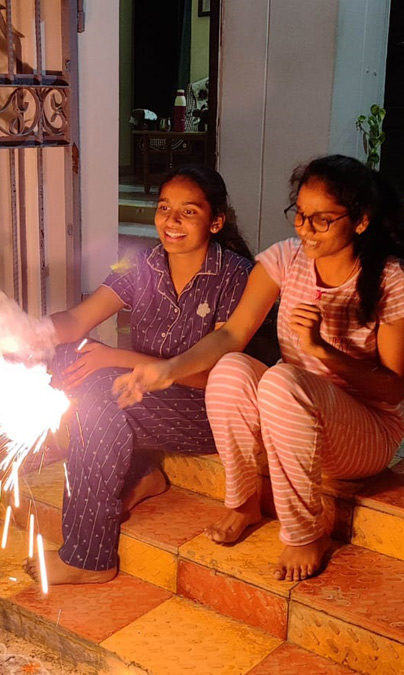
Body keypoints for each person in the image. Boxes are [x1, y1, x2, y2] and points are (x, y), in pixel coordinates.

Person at [114, 155, 404, 582]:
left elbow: (393, 390)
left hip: (364, 434)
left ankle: (305, 532)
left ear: (360, 221)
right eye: (300, 216)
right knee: (232, 368)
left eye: (322, 220)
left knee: (282, 380)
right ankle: (244, 503)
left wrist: (322, 351)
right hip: (291, 423)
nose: (305, 229)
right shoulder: (286, 259)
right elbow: (232, 335)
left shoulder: (392, 279)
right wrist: (169, 369)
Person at [24, 166, 255, 585]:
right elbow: (78, 319)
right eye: (165, 208)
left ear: (215, 221)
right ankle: (140, 473)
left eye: (188, 212)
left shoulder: (236, 276)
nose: (172, 221)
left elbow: (218, 382)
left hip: (206, 410)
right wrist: (23, 333)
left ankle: (89, 557)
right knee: (59, 358)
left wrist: (116, 357)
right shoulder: (144, 264)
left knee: (97, 394)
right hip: (143, 398)